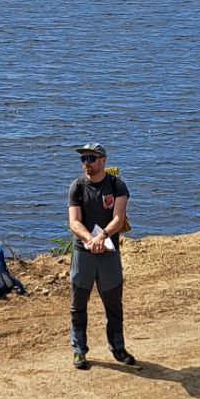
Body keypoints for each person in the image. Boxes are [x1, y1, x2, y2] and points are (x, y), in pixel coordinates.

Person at [67, 142, 134, 370]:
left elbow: (118, 218)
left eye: (91, 159)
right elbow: (74, 222)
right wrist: (89, 239)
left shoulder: (117, 186)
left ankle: (118, 347)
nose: (86, 163)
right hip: (83, 253)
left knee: (113, 303)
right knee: (78, 304)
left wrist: (102, 236)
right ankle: (79, 350)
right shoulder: (76, 187)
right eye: (83, 159)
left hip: (108, 253)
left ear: (103, 160)